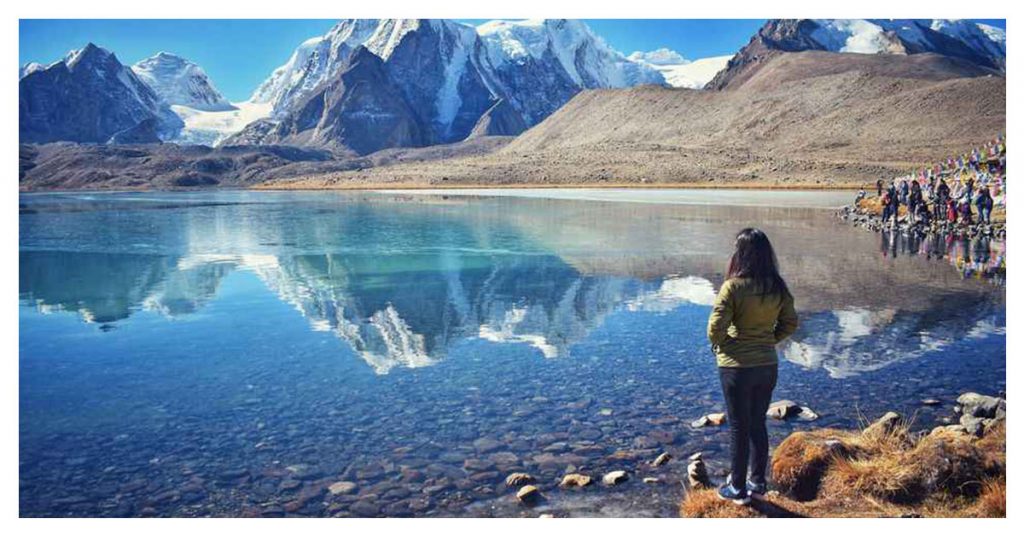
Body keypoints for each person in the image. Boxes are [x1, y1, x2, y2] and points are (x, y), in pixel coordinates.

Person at [707, 229, 798, 505]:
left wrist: (725, 344)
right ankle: (757, 482)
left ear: (741, 253)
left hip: (736, 367)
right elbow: (790, 323)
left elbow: (714, 329)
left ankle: (737, 489)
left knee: (738, 427)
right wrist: (767, 341)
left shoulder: (733, 287)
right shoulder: (777, 286)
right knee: (758, 423)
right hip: (767, 365)